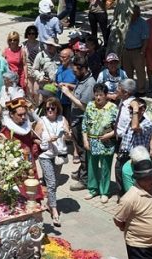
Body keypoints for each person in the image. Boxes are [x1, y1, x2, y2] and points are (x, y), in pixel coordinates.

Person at [60, 55, 95, 191]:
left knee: (83, 152)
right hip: (76, 120)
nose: (74, 73)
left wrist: (68, 94)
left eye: (75, 71)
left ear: (83, 69)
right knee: (80, 150)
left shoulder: (90, 83)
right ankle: (82, 171)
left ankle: (85, 180)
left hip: (82, 122)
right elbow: (80, 90)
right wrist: (70, 86)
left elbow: (84, 106)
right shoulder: (83, 79)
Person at [35, 97, 70, 227]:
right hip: (45, 156)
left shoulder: (62, 120)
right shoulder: (41, 122)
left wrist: (67, 134)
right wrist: (47, 140)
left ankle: (50, 202)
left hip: (59, 155)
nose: (49, 110)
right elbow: (35, 139)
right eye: (47, 108)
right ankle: (55, 211)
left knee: (54, 183)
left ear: (57, 109)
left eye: (52, 108)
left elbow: (68, 136)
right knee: (51, 182)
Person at [82, 83, 117, 202]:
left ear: (106, 95)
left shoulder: (113, 108)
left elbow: (119, 127)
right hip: (92, 140)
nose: (98, 97)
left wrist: (110, 134)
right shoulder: (90, 106)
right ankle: (93, 189)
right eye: (96, 94)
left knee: (105, 167)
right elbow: (84, 124)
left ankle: (104, 191)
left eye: (101, 95)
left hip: (107, 142)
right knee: (92, 166)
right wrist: (85, 140)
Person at [122, 5, 149, 95]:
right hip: (126, 50)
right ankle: (129, 89)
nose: (130, 15)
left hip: (137, 50)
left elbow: (145, 39)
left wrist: (142, 51)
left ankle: (141, 90)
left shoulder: (142, 23)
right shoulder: (125, 21)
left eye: (132, 13)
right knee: (127, 72)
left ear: (137, 14)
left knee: (140, 72)